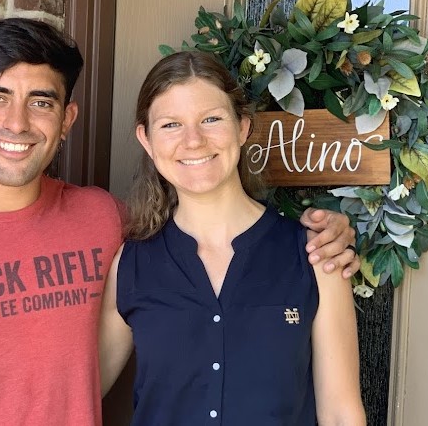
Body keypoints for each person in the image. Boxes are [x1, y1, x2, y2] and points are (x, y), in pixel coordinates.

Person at [0, 19, 358, 425]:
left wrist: (333, 233)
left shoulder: (104, 223)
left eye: (41, 102)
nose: (17, 123)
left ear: (67, 119)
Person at [99, 51, 366, 425]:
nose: (193, 141)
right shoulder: (130, 264)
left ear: (242, 127)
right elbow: (77, 393)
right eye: (171, 125)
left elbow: (340, 414)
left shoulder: (316, 255)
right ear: (146, 139)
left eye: (211, 119)